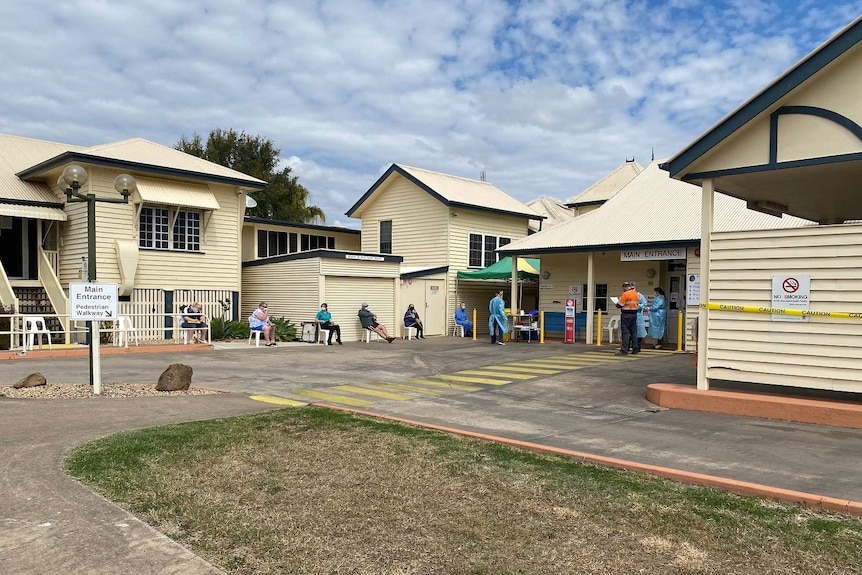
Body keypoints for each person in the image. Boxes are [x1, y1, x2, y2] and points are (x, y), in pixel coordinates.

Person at [614, 282, 640, 355]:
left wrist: (616, 304)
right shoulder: (636, 294)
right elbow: (637, 303)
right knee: (633, 332)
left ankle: (624, 350)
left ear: (625, 287)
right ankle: (635, 348)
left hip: (626, 314)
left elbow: (620, 305)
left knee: (625, 332)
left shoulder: (625, 294)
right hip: (634, 314)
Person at [632, 282, 647, 352]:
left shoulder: (639, 295)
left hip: (638, 316)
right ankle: (630, 346)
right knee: (629, 332)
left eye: (633, 288)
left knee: (639, 332)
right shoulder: (626, 295)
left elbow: (644, 303)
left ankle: (638, 347)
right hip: (629, 315)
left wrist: (638, 306)